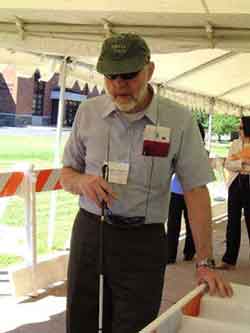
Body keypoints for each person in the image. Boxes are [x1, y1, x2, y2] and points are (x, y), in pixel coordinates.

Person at [61, 33, 233, 333]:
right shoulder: (88, 113)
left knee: (137, 324)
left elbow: (195, 190)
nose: (119, 85)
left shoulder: (178, 120)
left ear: (149, 71)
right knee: (83, 319)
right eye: (111, 77)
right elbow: (67, 173)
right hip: (91, 233)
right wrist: (82, 181)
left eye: (129, 76)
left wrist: (204, 261)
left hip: (145, 240)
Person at [166, 123, 205, 263]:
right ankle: (170, 255)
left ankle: (189, 252)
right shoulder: (179, 148)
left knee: (191, 224)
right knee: (173, 224)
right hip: (176, 191)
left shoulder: (203, 152)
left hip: (193, 193)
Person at [218, 116, 250, 270]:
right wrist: (242, 163)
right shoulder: (235, 144)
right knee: (232, 222)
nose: (239, 130)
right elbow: (228, 164)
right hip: (236, 184)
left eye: (242, 127)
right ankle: (229, 260)